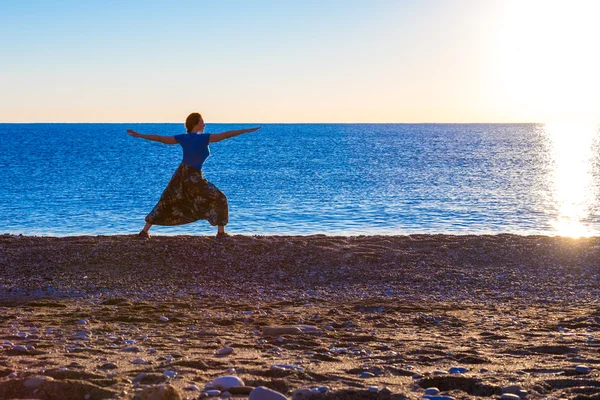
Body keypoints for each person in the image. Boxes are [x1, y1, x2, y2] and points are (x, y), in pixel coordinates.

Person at [127, 112, 261, 239]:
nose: (204, 124)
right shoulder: (203, 138)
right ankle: (221, 233)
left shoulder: (183, 138)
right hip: (192, 176)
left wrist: (139, 135)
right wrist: (246, 130)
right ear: (196, 123)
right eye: (202, 121)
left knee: (166, 201)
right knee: (220, 198)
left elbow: (160, 139)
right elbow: (226, 135)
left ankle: (144, 231)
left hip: (181, 174)